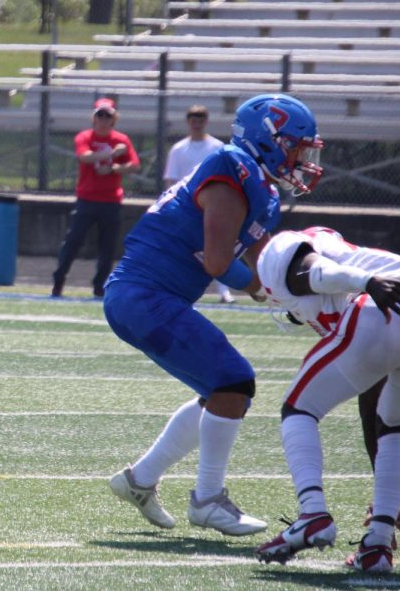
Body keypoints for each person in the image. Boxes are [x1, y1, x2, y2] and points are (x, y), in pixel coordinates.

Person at [105, 93, 323, 536]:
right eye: (297, 147)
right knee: (233, 381)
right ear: (270, 139)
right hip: (142, 294)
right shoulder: (232, 168)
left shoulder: (260, 189)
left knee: (220, 390)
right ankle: (207, 499)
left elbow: (272, 264)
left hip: (150, 297)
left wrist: (319, 288)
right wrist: (263, 291)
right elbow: (218, 263)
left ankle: (139, 480)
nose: (303, 158)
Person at [253, 227, 400, 573]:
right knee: (395, 424)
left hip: (382, 304)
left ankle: (312, 513)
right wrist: (388, 500)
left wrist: (368, 282)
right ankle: (377, 545)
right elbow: (374, 411)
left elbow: (316, 273)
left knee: (299, 407)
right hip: (394, 313)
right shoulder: (349, 270)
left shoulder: (281, 253)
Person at [51, 97, 141, 298]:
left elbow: (134, 165)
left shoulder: (121, 139)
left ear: (113, 119)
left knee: (107, 248)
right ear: (93, 118)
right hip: (87, 199)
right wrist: (110, 154)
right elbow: (84, 156)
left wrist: (115, 168)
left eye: (107, 115)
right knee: (72, 242)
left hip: (111, 201)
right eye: (99, 114)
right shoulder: (85, 137)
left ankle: (99, 286)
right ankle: (59, 280)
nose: (102, 119)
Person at [163, 105, 234, 303]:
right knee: (182, 249)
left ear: (206, 121)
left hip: (213, 206)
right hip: (186, 207)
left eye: (201, 118)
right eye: (193, 118)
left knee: (219, 247)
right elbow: (171, 180)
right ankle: (176, 289)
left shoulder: (217, 147)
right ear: (188, 121)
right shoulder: (178, 149)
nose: (197, 122)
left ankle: (223, 291)